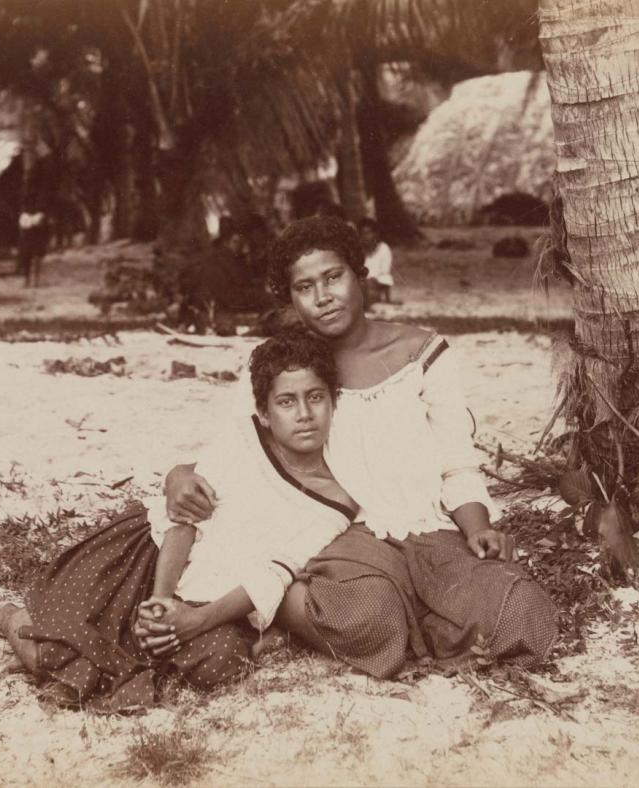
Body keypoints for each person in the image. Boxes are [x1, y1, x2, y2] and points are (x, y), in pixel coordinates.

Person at [160, 216, 558, 678]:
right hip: (335, 538)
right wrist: (178, 475)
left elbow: (456, 463)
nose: (323, 297)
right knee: (369, 616)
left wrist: (476, 529)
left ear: (360, 273)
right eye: (304, 287)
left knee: (522, 613)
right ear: (290, 297)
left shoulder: (422, 354)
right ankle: (295, 601)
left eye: (333, 277)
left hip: (427, 529)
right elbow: (235, 448)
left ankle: (415, 616)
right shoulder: (284, 365)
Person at [0, 329, 356, 712]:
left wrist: (195, 619)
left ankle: (199, 644)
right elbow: (185, 519)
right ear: (264, 413)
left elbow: (273, 573)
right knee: (48, 652)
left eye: (315, 397)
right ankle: (8, 617)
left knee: (220, 663)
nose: (303, 413)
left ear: (334, 402)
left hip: (213, 602)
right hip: (150, 562)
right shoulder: (243, 441)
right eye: (286, 401)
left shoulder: (336, 501)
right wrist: (160, 602)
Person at [358, 217, 395, 306]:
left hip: (377, 281)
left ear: (375, 234)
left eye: (368, 233)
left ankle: (373, 299)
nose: (366, 236)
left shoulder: (383, 248)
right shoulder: (359, 250)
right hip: (363, 282)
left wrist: (372, 279)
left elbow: (385, 270)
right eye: (363, 233)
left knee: (385, 278)